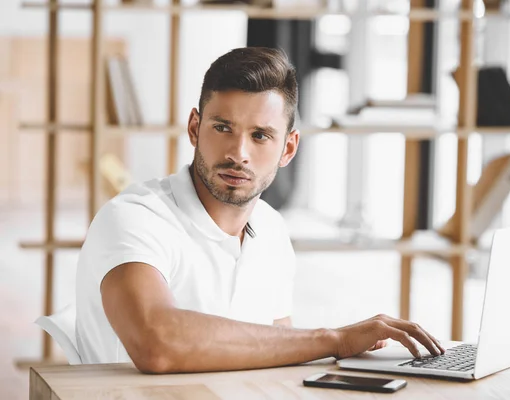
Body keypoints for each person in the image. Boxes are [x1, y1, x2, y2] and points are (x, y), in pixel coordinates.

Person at [75, 47, 445, 373]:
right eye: (223, 128)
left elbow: (277, 354)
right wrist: (335, 339)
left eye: (260, 135)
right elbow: (156, 343)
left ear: (288, 148)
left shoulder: (270, 229)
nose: (239, 153)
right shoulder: (133, 217)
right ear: (194, 127)